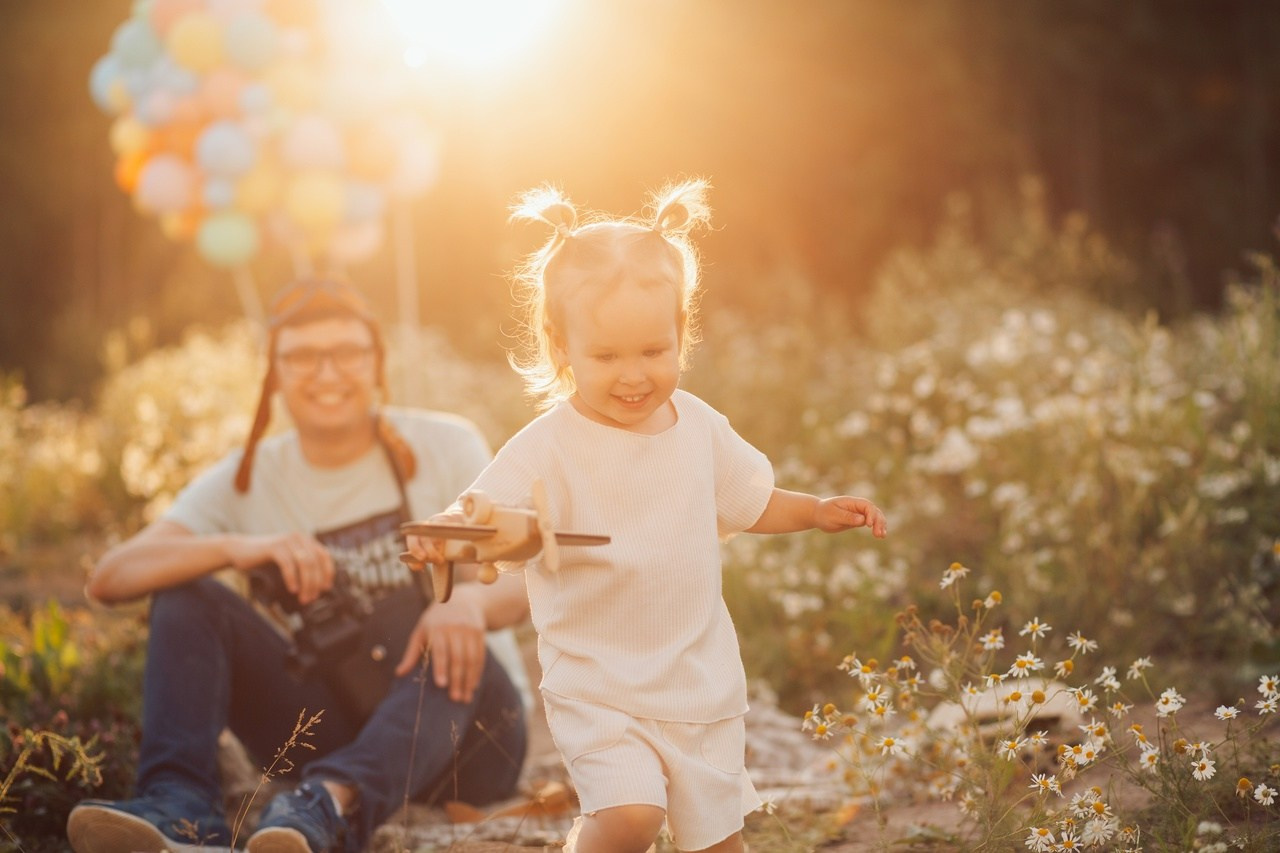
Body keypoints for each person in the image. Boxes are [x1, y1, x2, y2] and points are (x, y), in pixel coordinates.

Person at [404, 180, 889, 853]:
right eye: (606, 356)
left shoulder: (700, 427)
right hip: (596, 682)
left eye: (653, 352)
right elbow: (483, 508)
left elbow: (748, 501)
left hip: (697, 681)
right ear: (561, 344)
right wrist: (445, 534)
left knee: (717, 844)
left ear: (680, 334)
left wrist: (813, 510)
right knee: (629, 816)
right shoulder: (549, 443)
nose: (633, 375)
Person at [67, 277, 532, 853]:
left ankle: (332, 805)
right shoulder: (246, 476)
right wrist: (239, 547)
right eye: (303, 357)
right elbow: (111, 578)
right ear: (275, 373)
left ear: (376, 363)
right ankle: (177, 807)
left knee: (441, 631)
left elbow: (525, 577)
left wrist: (468, 603)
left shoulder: (444, 444)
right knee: (188, 595)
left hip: (468, 734)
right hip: (328, 728)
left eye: (347, 352)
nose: (327, 373)